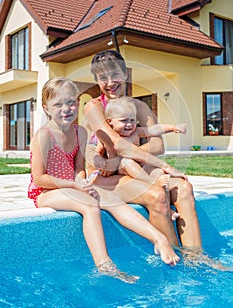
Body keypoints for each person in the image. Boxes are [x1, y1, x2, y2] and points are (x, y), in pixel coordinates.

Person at [28, 77, 180, 284]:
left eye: (71, 102)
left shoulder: (79, 132)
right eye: (58, 104)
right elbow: (39, 179)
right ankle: (104, 264)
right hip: (46, 192)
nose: (66, 108)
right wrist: (75, 185)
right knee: (91, 205)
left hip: (72, 186)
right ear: (46, 108)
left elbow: (78, 169)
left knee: (112, 199)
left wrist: (83, 182)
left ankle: (159, 239)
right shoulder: (43, 135)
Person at [84, 50, 202, 249]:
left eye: (115, 74)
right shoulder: (93, 107)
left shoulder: (138, 106)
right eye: (102, 77)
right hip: (104, 176)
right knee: (157, 195)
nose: (110, 82)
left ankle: (195, 258)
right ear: (96, 80)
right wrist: (161, 164)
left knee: (184, 187)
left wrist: (127, 155)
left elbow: (158, 145)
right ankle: (174, 262)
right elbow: (116, 144)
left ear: (125, 74)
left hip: (134, 169)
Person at [91, 96, 187, 220]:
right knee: (126, 161)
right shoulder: (108, 137)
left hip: (136, 169)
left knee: (159, 172)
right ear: (110, 122)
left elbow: (154, 129)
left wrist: (173, 127)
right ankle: (152, 184)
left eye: (132, 120)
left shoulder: (136, 132)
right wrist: (99, 160)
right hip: (116, 171)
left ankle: (167, 207)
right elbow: (97, 153)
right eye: (124, 120)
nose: (129, 124)